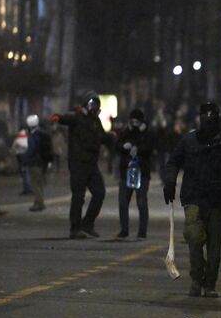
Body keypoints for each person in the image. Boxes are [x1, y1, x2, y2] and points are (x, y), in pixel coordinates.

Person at [164, 102, 221, 298]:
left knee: (214, 247)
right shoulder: (189, 141)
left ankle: (210, 284)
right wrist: (170, 182)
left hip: (217, 202)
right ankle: (197, 279)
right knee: (194, 239)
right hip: (194, 199)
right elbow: (174, 161)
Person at [50, 91, 110, 239]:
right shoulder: (77, 117)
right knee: (78, 196)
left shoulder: (96, 121)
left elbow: (102, 137)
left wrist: (113, 137)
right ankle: (75, 228)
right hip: (78, 163)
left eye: (95, 104)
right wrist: (58, 117)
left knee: (100, 192)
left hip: (91, 164)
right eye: (91, 103)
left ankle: (87, 224)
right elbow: (65, 118)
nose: (93, 107)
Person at [116, 109, 154, 239]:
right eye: (132, 121)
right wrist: (123, 147)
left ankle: (142, 231)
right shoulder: (126, 132)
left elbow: (150, 147)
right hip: (126, 171)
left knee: (141, 201)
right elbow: (117, 145)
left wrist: (138, 150)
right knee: (123, 202)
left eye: (137, 121)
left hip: (142, 172)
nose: (134, 123)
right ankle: (124, 230)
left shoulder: (147, 133)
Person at [24, 115, 47, 212]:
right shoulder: (42, 134)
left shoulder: (34, 136)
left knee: (35, 184)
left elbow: (31, 150)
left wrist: (25, 158)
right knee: (39, 183)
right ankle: (39, 202)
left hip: (34, 162)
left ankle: (39, 203)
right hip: (41, 162)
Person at [11, 128, 32, 195]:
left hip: (20, 157)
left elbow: (13, 148)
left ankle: (26, 189)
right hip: (27, 156)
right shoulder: (27, 137)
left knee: (24, 173)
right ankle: (29, 189)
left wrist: (17, 150)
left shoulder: (18, 138)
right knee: (27, 173)